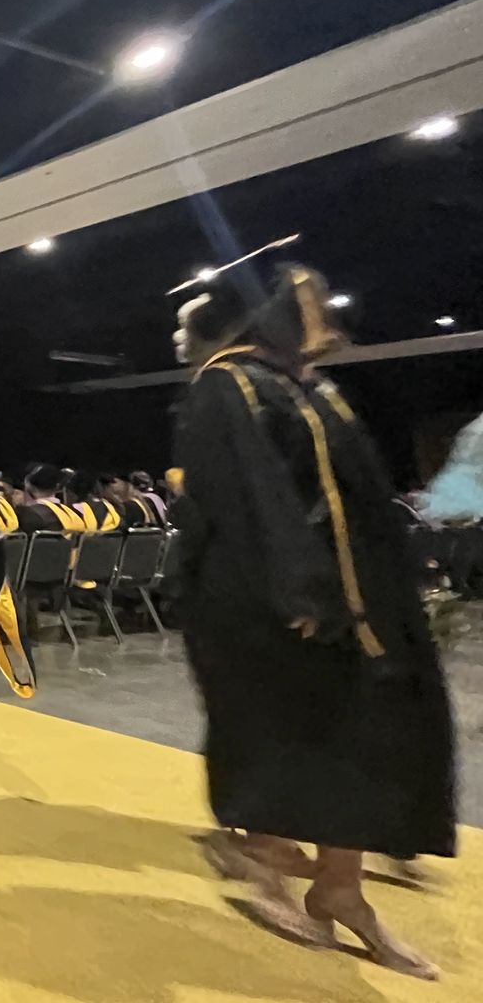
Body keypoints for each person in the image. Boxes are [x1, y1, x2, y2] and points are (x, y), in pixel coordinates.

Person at [172, 264, 455, 980]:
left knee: (364, 735)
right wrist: (298, 592)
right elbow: (247, 501)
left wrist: (401, 570)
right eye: (305, 305)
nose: (321, 316)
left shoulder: (307, 386)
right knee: (289, 735)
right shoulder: (228, 385)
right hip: (271, 603)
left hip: (352, 598)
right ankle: (267, 862)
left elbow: (358, 492)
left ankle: (340, 888)